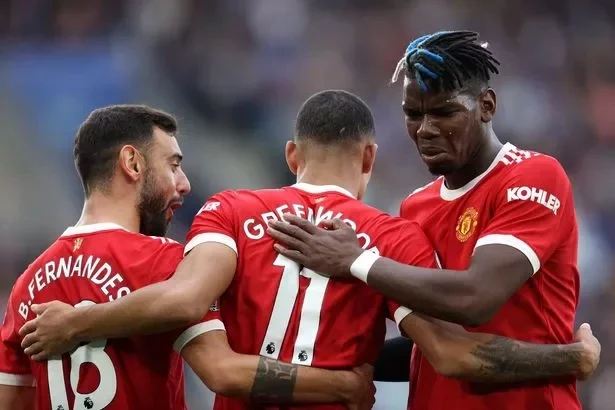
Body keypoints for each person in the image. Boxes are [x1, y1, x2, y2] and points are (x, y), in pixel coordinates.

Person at [17, 92, 599, 410]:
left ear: (293, 155)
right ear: (369, 159)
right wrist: (568, 358)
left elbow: (187, 301)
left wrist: (79, 321)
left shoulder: (230, 210)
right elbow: (451, 357)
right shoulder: (396, 237)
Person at [265, 31, 593, 410]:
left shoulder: (533, 177)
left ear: (486, 106)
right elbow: (435, 343)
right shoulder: (416, 207)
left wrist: (356, 262)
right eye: (413, 114)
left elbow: (476, 299)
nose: (425, 129)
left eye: (444, 112)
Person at [0, 105, 376, 410]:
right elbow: (223, 371)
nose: (185, 185)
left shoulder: (27, 284)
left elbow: (12, 401)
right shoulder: (164, 262)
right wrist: (344, 385)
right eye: (174, 165)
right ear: (132, 163)